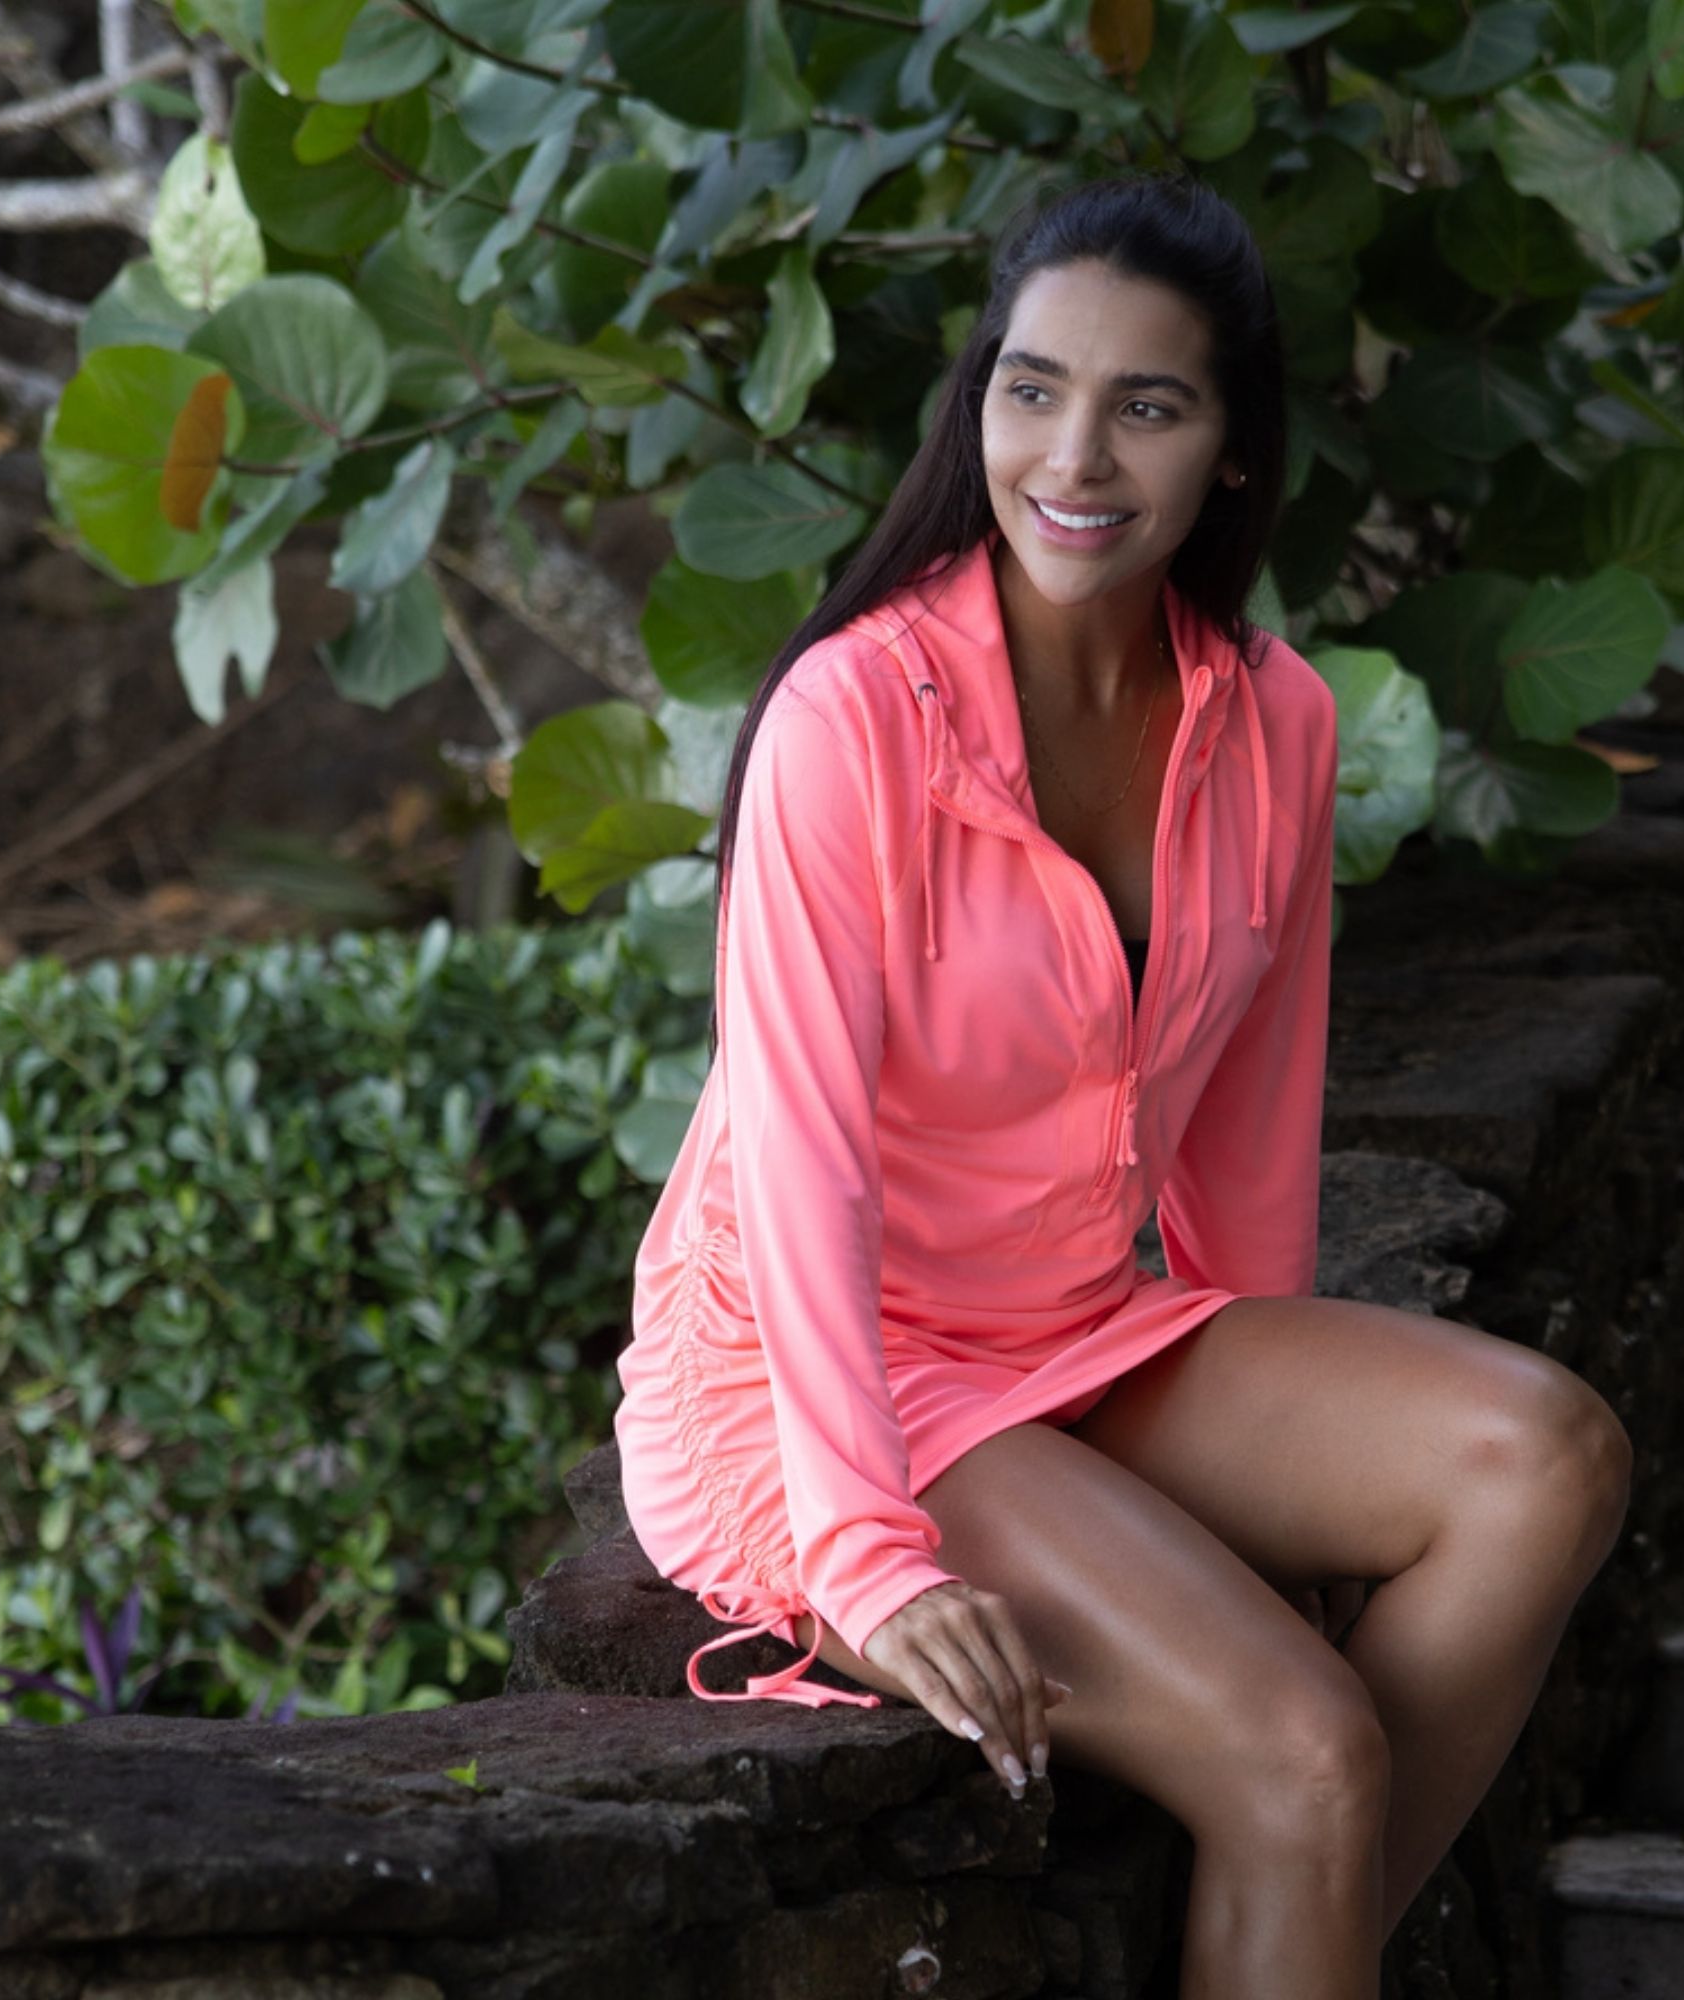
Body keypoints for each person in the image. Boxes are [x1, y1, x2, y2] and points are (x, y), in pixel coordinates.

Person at [612, 168, 1632, 1993]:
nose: (1074, 457)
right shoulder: (855, 717)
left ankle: (1282, 1919)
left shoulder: (1275, 718)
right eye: (1033, 389)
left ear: (1231, 451)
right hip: (818, 1374)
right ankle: (1285, 1891)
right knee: (1306, 1754)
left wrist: (1278, 1494)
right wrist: (871, 1556)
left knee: (1544, 1459)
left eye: (1146, 406)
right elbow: (796, 1166)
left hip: (1080, 1330)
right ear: (979, 405)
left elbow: (1247, 1141)